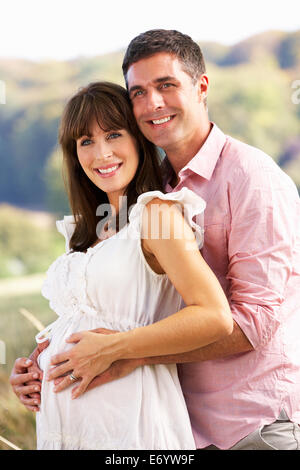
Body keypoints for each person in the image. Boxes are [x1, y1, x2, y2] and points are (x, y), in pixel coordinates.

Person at [11, 29, 300, 450]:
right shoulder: (151, 192)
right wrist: (48, 358)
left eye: (166, 86)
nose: (153, 104)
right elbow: (130, 304)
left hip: (249, 424)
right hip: (178, 422)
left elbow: (251, 323)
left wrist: (123, 353)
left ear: (201, 87)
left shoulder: (252, 178)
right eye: (139, 92)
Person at [11, 81, 232, 450]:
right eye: (85, 142)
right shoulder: (86, 232)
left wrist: (114, 349)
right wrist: (39, 365)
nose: (101, 154)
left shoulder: (156, 215)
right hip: (67, 431)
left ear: (138, 139)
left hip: (132, 424)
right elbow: (87, 319)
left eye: (113, 134)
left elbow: (214, 316)